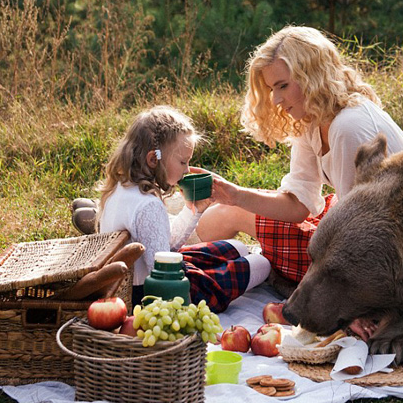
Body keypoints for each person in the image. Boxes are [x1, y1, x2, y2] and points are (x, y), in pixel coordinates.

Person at [195, 26, 403, 337]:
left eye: (283, 85)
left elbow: (364, 237)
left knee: (243, 225)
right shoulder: (312, 120)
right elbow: (298, 205)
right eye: (271, 88)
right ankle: (179, 261)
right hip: (355, 230)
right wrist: (235, 194)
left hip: (395, 258)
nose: (276, 99)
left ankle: (178, 266)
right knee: (227, 212)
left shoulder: (348, 127)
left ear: (312, 75)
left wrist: (350, 307)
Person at [95, 105, 271, 311]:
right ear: (153, 159)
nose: (187, 169)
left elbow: (163, 247)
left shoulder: (120, 188)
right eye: (182, 162)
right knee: (261, 263)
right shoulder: (148, 205)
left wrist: (193, 209)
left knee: (237, 247)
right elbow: (163, 273)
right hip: (157, 294)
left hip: (148, 278)